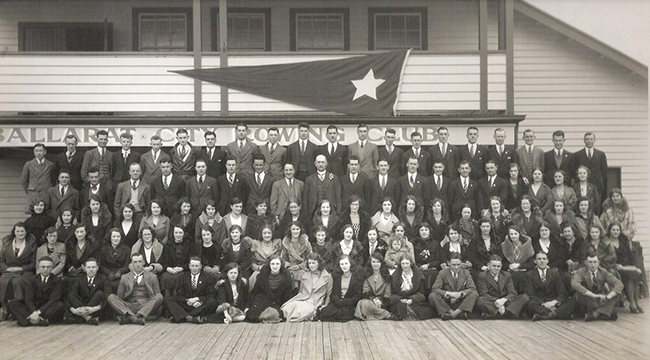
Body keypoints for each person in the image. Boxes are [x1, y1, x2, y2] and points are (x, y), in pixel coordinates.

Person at [106, 253, 164, 325]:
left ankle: (131, 317)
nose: (137, 264)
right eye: (135, 262)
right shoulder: (125, 277)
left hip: (146, 305)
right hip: (130, 306)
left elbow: (157, 294)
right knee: (111, 297)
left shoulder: (152, 277)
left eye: (140, 261)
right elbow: (119, 296)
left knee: (159, 296)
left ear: (143, 262)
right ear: (132, 264)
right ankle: (136, 318)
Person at [5, 256, 65, 326]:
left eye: (48, 267)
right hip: (33, 307)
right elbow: (28, 299)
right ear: (39, 267)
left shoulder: (57, 281)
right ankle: (38, 321)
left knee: (60, 305)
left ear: (52, 268)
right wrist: (34, 312)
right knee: (12, 303)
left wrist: (38, 312)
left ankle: (29, 320)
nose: (45, 269)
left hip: (47, 308)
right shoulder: (32, 279)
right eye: (43, 267)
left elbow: (53, 300)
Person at [163, 256, 217, 324]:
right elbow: (179, 296)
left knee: (212, 301)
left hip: (200, 305)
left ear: (200, 266)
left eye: (197, 266)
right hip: (187, 305)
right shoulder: (183, 277)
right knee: (168, 299)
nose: (194, 268)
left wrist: (197, 299)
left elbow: (211, 295)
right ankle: (190, 317)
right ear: (189, 266)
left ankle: (183, 316)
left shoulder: (208, 278)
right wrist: (187, 300)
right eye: (192, 266)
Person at [571, 251, 623, 321]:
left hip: (600, 300)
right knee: (578, 294)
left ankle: (595, 314)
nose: (592, 265)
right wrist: (594, 295)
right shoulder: (581, 271)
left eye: (595, 262)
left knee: (617, 293)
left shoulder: (603, 271)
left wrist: (608, 296)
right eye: (590, 262)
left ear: (598, 262)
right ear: (586, 262)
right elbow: (574, 284)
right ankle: (603, 312)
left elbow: (619, 284)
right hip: (588, 299)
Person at [281, 253, 333, 322]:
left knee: (300, 312)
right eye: (309, 263)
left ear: (319, 263)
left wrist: (325, 305)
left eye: (313, 263)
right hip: (303, 299)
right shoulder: (305, 275)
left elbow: (329, 294)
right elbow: (301, 292)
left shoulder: (327, 277)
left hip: (315, 303)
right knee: (288, 307)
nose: (311, 265)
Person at [605, 223, 644, 314]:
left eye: (617, 230)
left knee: (636, 274)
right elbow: (605, 257)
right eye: (613, 230)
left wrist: (635, 266)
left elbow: (630, 254)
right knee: (629, 276)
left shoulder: (623, 240)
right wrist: (614, 265)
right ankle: (632, 304)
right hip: (615, 266)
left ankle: (637, 303)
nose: (615, 232)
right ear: (609, 231)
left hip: (626, 265)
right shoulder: (606, 242)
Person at [476, 255, 529, 319]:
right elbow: (484, 294)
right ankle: (507, 314)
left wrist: (503, 300)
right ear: (488, 265)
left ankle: (497, 315)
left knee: (524, 297)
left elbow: (512, 293)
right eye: (493, 266)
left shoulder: (506, 275)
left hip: (506, 302)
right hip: (492, 302)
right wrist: (498, 304)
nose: (496, 268)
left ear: (501, 266)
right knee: (480, 300)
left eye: (498, 266)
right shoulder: (482, 276)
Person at [1, 223, 37, 318]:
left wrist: (21, 268)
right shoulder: (7, 243)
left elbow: (33, 263)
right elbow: (1, 261)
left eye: (22, 231)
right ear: (14, 232)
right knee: (2, 282)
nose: (20, 233)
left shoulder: (31, 244)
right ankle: (5, 309)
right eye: (18, 231)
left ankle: (16, 309)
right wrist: (7, 269)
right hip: (9, 271)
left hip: (25, 270)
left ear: (26, 232)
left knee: (17, 282)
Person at [524, 251, 573, 321]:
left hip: (553, 302)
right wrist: (544, 304)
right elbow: (530, 294)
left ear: (547, 261)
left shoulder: (555, 273)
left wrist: (553, 302)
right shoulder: (529, 274)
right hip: (539, 304)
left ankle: (547, 316)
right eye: (539, 259)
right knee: (530, 304)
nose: (542, 261)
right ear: (535, 261)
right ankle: (557, 314)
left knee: (569, 302)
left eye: (544, 259)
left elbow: (562, 292)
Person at [430, 253, 479, 320]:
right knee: (433, 295)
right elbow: (435, 289)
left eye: (458, 264)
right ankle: (452, 312)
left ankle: (453, 314)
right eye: (453, 265)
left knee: (474, 294)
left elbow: (472, 288)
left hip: (461, 303)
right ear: (448, 263)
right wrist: (449, 294)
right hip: (447, 302)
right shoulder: (443, 273)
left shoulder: (466, 273)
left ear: (461, 263)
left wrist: (460, 294)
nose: (456, 267)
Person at [247, 255, 294, 323]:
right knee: (253, 316)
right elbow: (255, 291)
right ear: (269, 264)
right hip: (263, 299)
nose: (275, 266)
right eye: (272, 264)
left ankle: (268, 316)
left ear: (281, 265)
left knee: (276, 313)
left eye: (277, 264)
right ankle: (265, 317)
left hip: (278, 301)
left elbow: (288, 294)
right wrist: (247, 306)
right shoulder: (263, 275)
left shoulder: (286, 276)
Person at [388, 254, 433, 320]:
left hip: (413, 299)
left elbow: (421, 294)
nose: (405, 266)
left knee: (423, 309)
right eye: (403, 263)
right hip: (400, 299)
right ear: (400, 264)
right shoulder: (395, 276)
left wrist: (412, 300)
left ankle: (408, 313)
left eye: (407, 263)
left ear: (411, 263)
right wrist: (400, 299)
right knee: (399, 306)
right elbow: (392, 294)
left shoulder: (418, 275)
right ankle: (408, 314)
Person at [354, 252, 398, 320]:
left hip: (381, 302)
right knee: (363, 302)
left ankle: (371, 313)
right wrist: (374, 299)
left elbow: (387, 293)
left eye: (378, 262)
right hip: (370, 300)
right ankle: (386, 314)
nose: (375, 264)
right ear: (370, 263)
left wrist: (380, 301)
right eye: (373, 262)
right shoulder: (366, 274)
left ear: (381, 263)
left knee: (363, 304)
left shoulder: (386, 275)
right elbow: (365, 291)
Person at [320, 255, 364, 322]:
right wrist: (338, 301)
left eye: (346, 263)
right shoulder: (336, 277)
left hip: (349, 305)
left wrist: (344, 302)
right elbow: (333, 294)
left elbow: (357, 297)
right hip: (337, 303)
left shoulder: (357, 278)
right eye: (342, 264)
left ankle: (336, 317)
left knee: (345, 314)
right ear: (339, 265)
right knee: (324, 312)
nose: (344, 266)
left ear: (350, 264)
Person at [65, 257, 107, 325]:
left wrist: (95, 308)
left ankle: (80, 317)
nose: (91, 270)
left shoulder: (103, 278)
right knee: (71, 295)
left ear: (97, 268)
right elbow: (72, 295)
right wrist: (74, 310)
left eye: (93, 267)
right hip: (82, 304)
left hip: (95, 309)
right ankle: (87, 317)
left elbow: (107, 296)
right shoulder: (79, 279)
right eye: (89, 267)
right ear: (84, 268)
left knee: (100, 293)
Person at [573, 132, 608, 202]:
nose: (589, 141)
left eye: (591, 139)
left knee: (596, 203)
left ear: (594, 140)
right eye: (587, 139)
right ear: (584, 140)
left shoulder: (601, 154)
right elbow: (574, 170)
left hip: (597, 184)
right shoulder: (577, 155)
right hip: (582, 185)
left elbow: (604, 171)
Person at [500, 225, 535, 293]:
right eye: (511, 234)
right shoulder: (504, 246)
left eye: (516, 233)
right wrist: (509, 266)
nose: (514, 236)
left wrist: (519, 265)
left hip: (524, 272)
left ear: (519, 234)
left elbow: (531, 264)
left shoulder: (527, 245)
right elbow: (502, 263)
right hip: (509, 272)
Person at [21, 143, 54, 214]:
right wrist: (30, 191)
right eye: (36, 151)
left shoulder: (50, 165)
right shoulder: (28, 164)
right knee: (34, 214)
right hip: (34, 194)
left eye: (40, 151)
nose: (38, 153)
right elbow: (23, 180)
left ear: (45, 152)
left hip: (46, 194)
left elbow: (54, 180)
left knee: (46, 214)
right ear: (34, 152)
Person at [159, 226, 193, 297]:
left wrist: (181, 268)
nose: (178, 235)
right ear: (173, 233)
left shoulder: (189, 245)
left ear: (184, 234)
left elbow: (191, 262)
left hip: (183, 270)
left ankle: (176, 299)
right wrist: (168, 268)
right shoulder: (168, 245)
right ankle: (167, 300)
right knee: (165, 277)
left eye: (180, 232)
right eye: (176, 232)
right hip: (170, 270)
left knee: (179, 278)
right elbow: (163, 261)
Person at [249, 224, 282, 290]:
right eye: (264, 233)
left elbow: (280, 258)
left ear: (272, 233)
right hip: (260, 270)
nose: (267, 235)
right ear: (261, 234)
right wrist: (258, 268)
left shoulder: (277, 243)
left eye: (269, 233)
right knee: (254, 278)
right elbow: (252, 261)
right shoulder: (256, 244)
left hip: (274, 269)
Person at [281, 221, 312, 288]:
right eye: (293, 229)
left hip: (303, 268)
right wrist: (290, 266)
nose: (295, 231)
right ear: (290, 230)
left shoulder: (306, 243)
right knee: (289, 276)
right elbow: (283, 258)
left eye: (297, 229)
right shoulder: (285, 243)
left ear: (300, 230)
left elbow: (310, 257)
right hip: (290, 267)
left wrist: (300, 266)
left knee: (304, 276)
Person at [99, 228, 131, 294]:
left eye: (118, 236)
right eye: (114, 236)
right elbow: (101, 265)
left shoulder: (126, 249)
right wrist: (108, 273)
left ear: (121, 237)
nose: (116, 239)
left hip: (121, 275)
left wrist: (120, 272)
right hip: (108, 276)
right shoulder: (103, 249)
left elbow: (127, 265)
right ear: (110, 237)